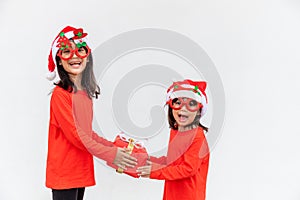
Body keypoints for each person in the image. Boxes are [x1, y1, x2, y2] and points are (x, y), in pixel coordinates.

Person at [45, 26, 137, 200]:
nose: (74, 56)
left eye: (80, 50)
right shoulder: (60, 95)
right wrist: (111, 154)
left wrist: (113, 147)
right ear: (59, 60)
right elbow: (77, 136)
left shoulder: (84, 93)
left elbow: (87, 133)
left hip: (79, 170)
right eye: (67, 52)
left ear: (87, 58)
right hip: (64, 173)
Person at [137, 79, 210, 200]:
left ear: (199, 111)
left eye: (191, 104)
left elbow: (188, 169)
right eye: (178, 102)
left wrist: (154, 172)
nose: (183, 109)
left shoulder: (198, 137)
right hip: (171, 195)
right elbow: (174, 162)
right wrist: (149, 160)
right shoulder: (175, 132)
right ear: (171, 106)